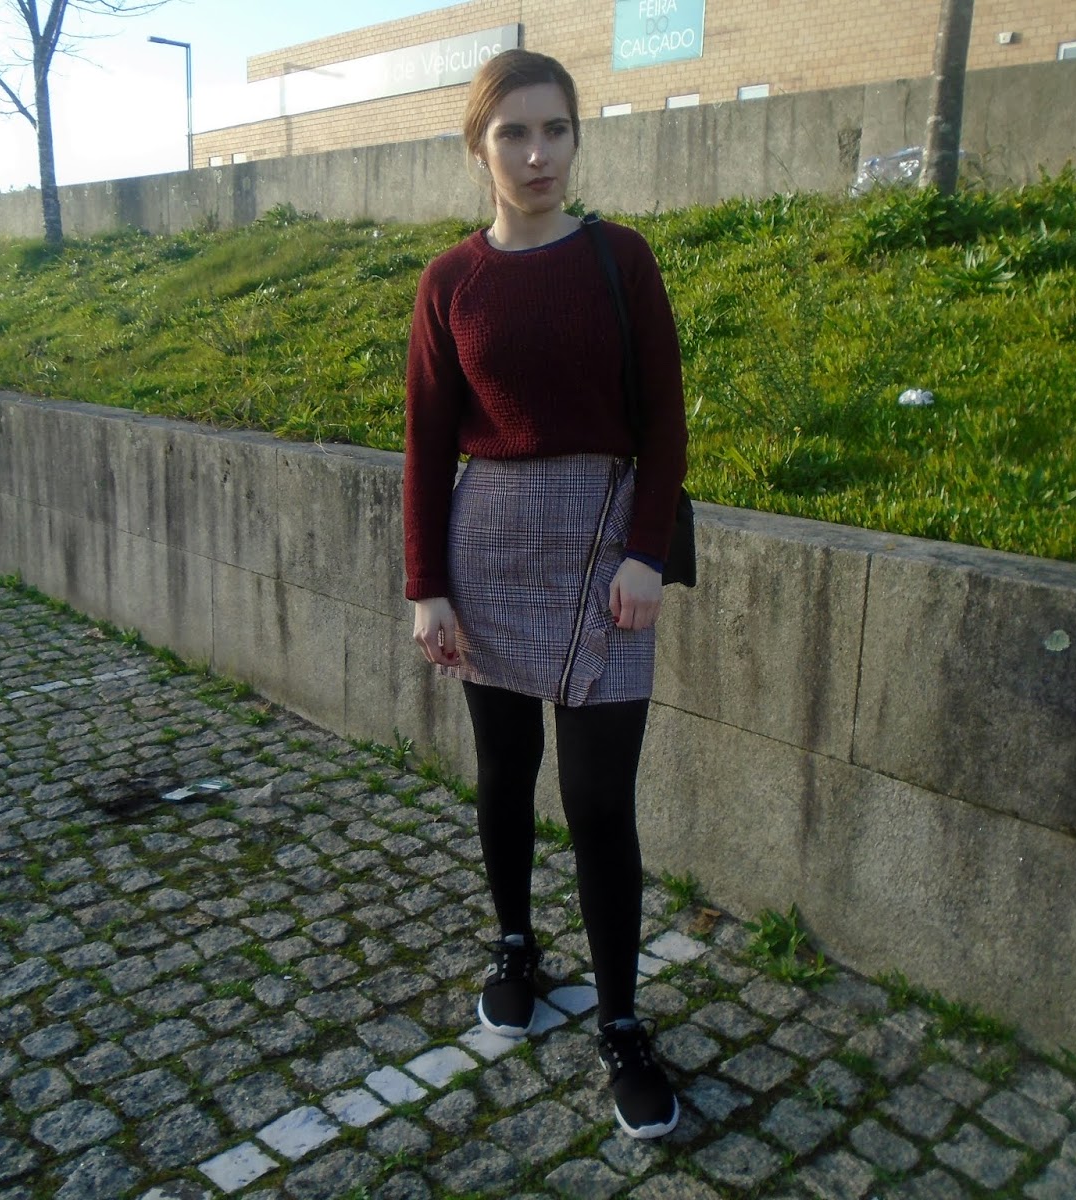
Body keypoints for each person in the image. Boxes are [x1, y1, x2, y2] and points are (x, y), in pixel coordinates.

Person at [401, 48, 689, 1140]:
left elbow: (665, 421)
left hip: (606, 548)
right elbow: (427, 443)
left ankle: (621, 1019)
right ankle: (515, 944)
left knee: (602, 802)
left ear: (575, 136)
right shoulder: (450, 282)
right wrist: (427, 585)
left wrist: (646, 553)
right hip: (490, 547)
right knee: (504, 772)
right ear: (477, 148)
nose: (537, 154)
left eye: (555, 129)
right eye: (513, 133)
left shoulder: (622, 258)